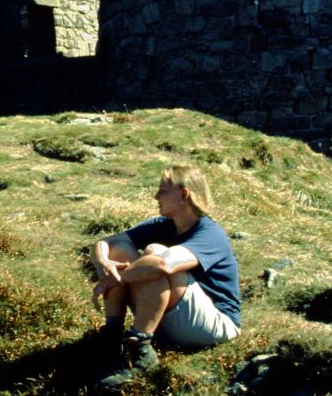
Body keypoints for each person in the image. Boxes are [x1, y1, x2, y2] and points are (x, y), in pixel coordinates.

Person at [90, 164, 240, 388]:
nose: (155, 196)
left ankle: (141, 352)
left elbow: (163, 265)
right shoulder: (163, 225)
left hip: (214, 326)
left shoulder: (210, 232)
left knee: (155, 255)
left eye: (162, 191)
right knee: (118, 250)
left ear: (183, 195)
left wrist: (114, 280)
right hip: (175, 319)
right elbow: (106, 242)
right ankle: (112, 337)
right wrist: (102, 261)